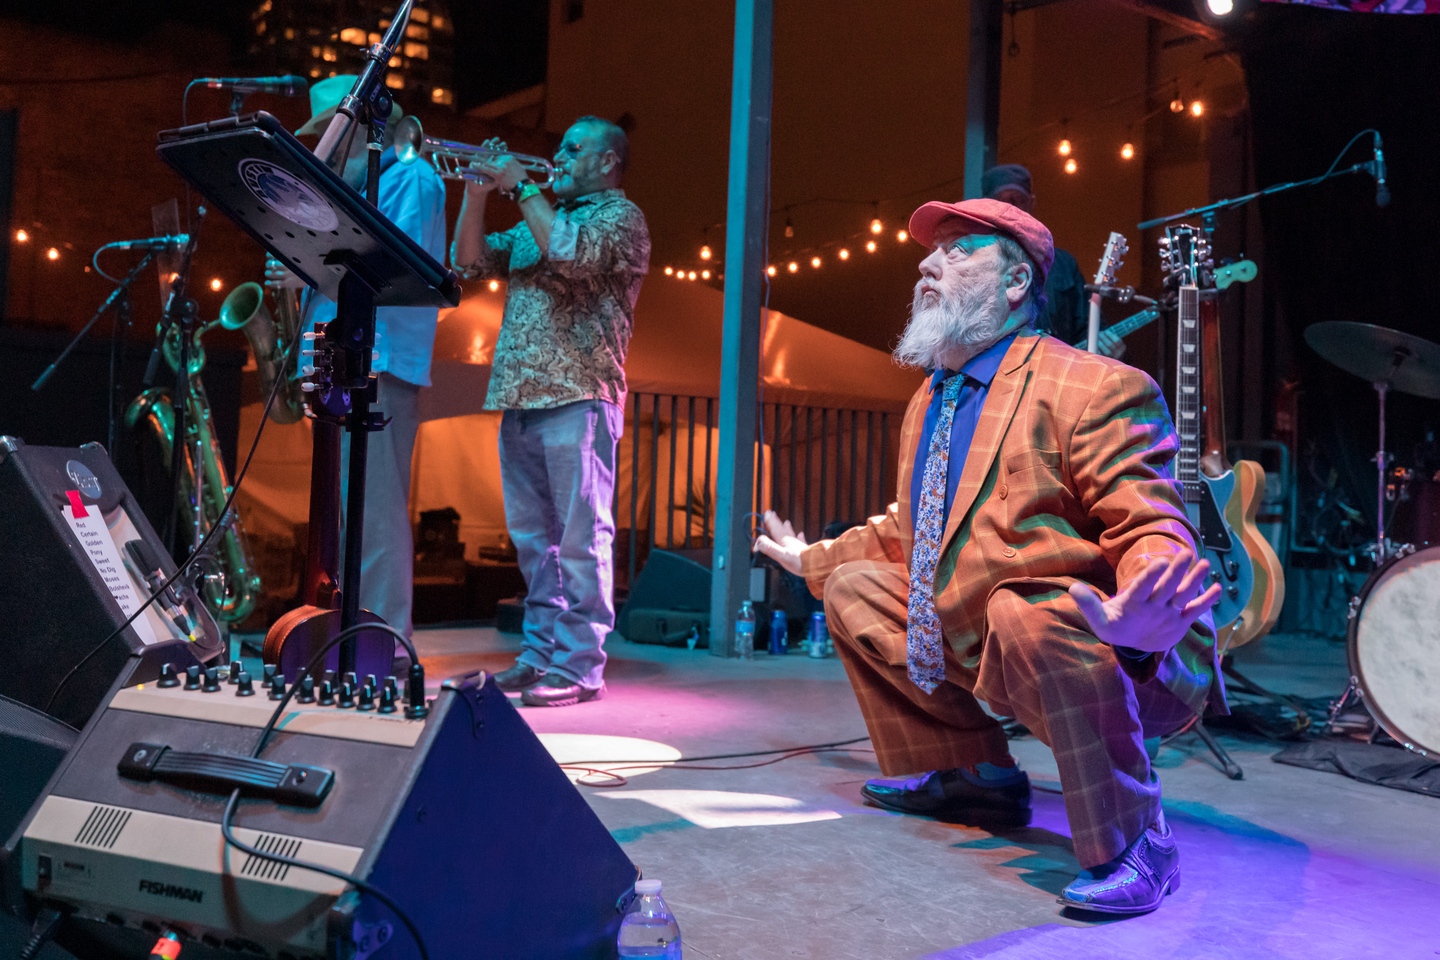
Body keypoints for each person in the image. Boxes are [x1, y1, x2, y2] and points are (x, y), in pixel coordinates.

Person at [754, 197, 1226, 915]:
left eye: (956, 251)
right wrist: (810, 558)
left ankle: (1138, 840)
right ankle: (971, 772)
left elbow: (1149, 519)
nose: (926, 264)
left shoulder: (1092, 385)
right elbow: (910, 530)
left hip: (1119, 646)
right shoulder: (931, 400)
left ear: (1015, 285)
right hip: (995, 634)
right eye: (931, 253)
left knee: (1022, 609)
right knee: (855, 587)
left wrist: (1145, 600)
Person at [450, 116, 650, 707]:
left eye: (571, 147)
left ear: (607, 162)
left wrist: (522, 186)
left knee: (583, 538)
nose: (557, 156)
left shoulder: (619, 219)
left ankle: (581, 665)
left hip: (579, 396)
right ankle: (539, 656)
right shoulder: (542, 217)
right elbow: (469, 264)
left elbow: (566, 253)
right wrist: (476, 194)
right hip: (519, 398)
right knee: (535, 543)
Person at [265, 75, 447, 643]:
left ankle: (386, 644)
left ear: (367, 128)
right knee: (344, 517)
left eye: (334, 133)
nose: (328, 147)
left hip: (379, 361)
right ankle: (351, 636)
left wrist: (303, 267)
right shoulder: (359, 187)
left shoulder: (412, 178)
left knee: (375, 517)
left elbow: (394, 269)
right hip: (342, 358)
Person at [982, 164, 1127, 360]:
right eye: (1001, 202)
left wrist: (1111, 354)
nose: (1011, 209)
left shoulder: (1063, 264)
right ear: (986, 206)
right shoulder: (974, 263)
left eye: (1018, 200)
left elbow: (1087, 329)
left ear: (1032, 203)